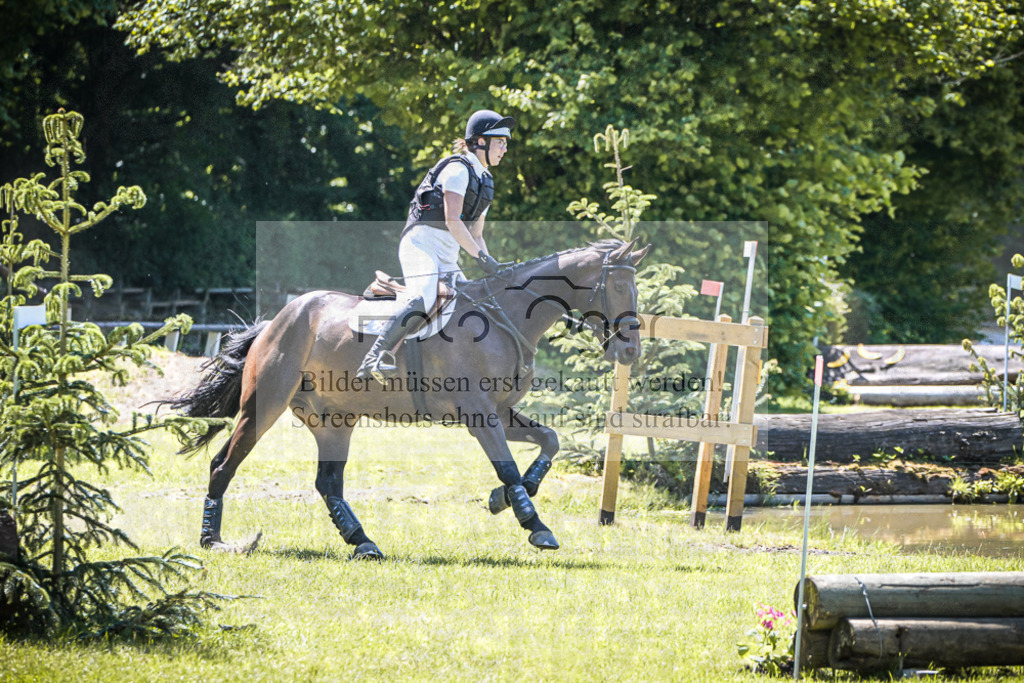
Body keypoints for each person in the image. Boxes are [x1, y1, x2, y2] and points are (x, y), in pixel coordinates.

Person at [355, 109, 515, 384]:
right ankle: (374, 357)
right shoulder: (456, 170)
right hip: (420, 246)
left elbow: (476, 235)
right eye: (500, 141)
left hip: (448, 256)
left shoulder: (486, 182)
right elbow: (453, 220)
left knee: (473, 304)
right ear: (480, 142)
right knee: (423, 298)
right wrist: (479, 258)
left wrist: (492, 263)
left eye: (506, 143)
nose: (505, 148)